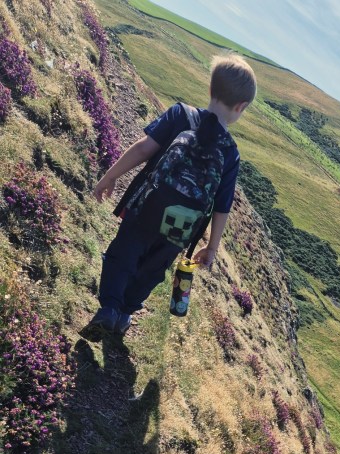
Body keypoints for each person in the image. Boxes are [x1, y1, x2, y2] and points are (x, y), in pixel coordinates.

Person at [81, 54, 256, 340]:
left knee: (121, 255)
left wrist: (110, 176)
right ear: (241, 107)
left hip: (145, 210)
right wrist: (211, 248)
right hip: (180, 228)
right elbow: (222, 206)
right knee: (152, 269)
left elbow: (142, 150)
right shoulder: (231, 153)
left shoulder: (180, 115)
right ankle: (126, 314)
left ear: (211, 89)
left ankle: (110, 309)